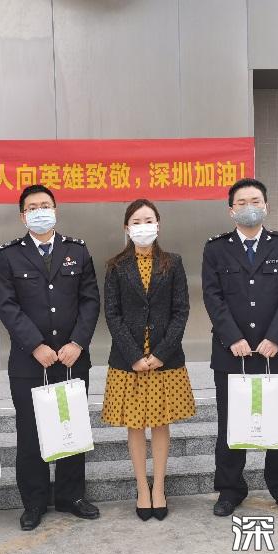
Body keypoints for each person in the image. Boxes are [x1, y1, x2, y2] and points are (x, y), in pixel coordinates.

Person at [0, 184, 101, 531]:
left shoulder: (77, 250)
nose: (39, 211)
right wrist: (35, 344)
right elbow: (6, 306)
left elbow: (90, 301)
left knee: (71, 428)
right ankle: (34, 501)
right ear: (22, 216)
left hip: (72, 359)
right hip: (29, 362)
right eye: (32, 207)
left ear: (55, 210)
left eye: (45, 205)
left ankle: (72, 496)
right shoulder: (9, 255)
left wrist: (78, 343)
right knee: (30, 433)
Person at [202, 178, 278, 519]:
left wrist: (276, 337)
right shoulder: (216, 249)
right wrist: (233, 337)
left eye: (256, 201)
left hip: (275, 352)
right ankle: (230, 490)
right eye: (242, 202)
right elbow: (213, 297)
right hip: (230, 352)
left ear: (266, 206)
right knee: (230, 424)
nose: (249, 207)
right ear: (231, 210)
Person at [102, 199, 195, 521]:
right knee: (135, 424)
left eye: (149, 220)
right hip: (128, 360)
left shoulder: (173, 262)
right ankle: (142, 487)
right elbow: (112, 313)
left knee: (160, 423)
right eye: (137, 222)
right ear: (126, 228)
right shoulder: (116, 266)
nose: (143, 227)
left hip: (164, 359)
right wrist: (134, 356)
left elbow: (181, 310)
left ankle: (160, 488)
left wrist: (160, 353)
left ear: (158, 224)